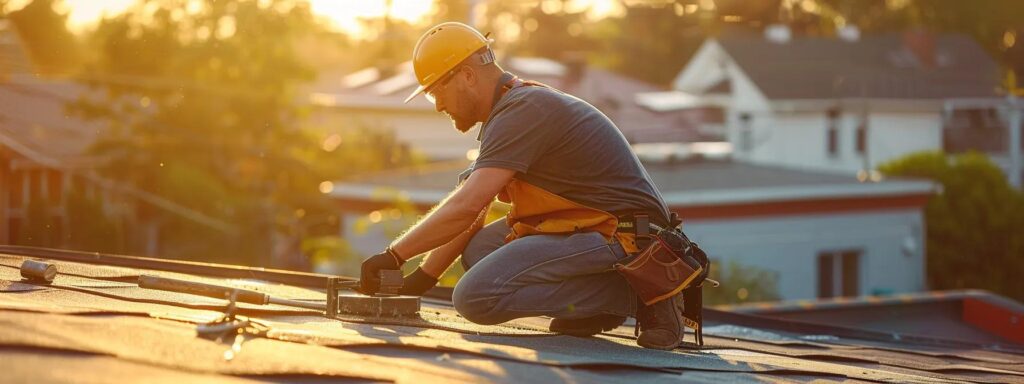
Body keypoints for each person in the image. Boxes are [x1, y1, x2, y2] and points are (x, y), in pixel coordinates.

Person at [359, 22, 688, 350]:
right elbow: (474, 209)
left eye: (436, 92)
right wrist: (422, 279)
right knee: (478, 251)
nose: (439, 106)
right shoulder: (509, 111)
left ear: (467, 76)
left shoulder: (524, 110)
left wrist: (395, 256)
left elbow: (467, 206)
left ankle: (645, 294)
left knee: (475, 297)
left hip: (629, 235)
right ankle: (594, 307)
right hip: (592, 225)